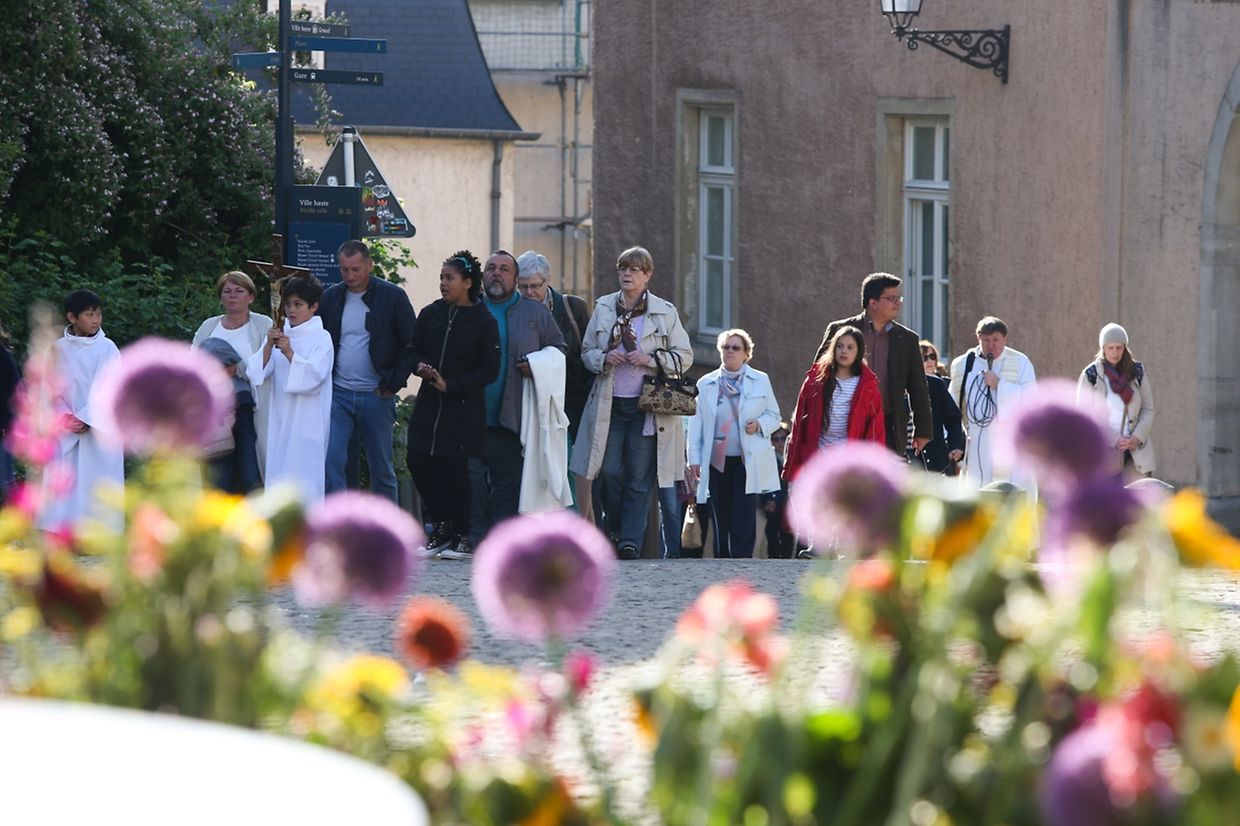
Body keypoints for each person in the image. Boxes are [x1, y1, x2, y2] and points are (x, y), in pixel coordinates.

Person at [571, 246, 693, 560]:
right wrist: (604, 357)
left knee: (639, 478)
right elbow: (586, 352)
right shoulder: (604, 307)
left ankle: (630, 542)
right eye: (623, 268)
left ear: (647, 275)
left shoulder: (665, 312)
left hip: (646, 408)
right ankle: (615, 527)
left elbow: (685, 356)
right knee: (608, 471)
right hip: (609, 405)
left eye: (634, 269)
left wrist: (650, 359)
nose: (627, 274)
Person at [466, 250, 567, 548]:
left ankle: (502, 543)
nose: (496, 274)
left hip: (513, 416)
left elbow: (559, 350)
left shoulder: (536, 314)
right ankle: (474, 538)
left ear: (514, 278)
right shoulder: (468, 309)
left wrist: (536, 364)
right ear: (482, 275)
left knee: (507, 483)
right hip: (469, 413)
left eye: (504, 269)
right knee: (470, 479)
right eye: (491, 268)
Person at [407, 251, 501, 560]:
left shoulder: (484, 321)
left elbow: (489, 370)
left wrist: (452, 385)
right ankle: (442, 527)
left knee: (456, 471)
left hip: (462, 409)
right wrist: (420, 366)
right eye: (441, 278)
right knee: (418, 460)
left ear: (468, 283)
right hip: (428, 404)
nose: (443, 284)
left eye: (450, 278)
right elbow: (413, 350)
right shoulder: (430, 314)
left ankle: (462, 536)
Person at [319, 240, 417, 503]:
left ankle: (386, 524)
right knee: (331, 459)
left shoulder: (392, 297)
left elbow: (412, 344)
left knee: (381, 467)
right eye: (344, 269)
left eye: (356, 269)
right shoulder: (331, 297)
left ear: (369, 265)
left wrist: (393, 383)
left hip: (377, 393)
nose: (350, 275)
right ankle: (338, 520)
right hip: (338, 393)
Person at [686, 329, 782, 559]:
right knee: (720, 512)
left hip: (746, 458)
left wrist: (759, 424)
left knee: (744, 509)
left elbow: (774, 415)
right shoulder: (706, 383)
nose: (729, 351)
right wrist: (694, 459)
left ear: (746, 353)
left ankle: (742, 559)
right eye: (725, 347)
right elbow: (696, 424)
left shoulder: (760, 380)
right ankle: (722, 559)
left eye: (735, 348)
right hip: (716, 459)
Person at [815, 273, 932, 459]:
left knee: (883, 477)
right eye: (891, 298)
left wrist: (923, 430)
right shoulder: (840, 331)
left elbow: (918, 387)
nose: (898, 303)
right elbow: (818, 377)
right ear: (873, 302)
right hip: (842, 424)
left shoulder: (907, 339)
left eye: (899, 298)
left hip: (887, 425)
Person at [515, 251, 596, 517]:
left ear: (547, 281)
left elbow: (586, 355)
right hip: (529, 405)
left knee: (567, 473)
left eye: (534, 286)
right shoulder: (514, 311)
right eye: (523, 286)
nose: (529, 292)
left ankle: (572, 529)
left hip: (570, 404)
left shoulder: (573, 309)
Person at [37, 290, 124, 531]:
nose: (96, 320)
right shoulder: (57, 349)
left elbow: (112, 387)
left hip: (98, 432)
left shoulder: (107, 349)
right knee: (64, 483)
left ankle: (99, 534)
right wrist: (64, 416)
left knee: (98, 484)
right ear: (72, 317)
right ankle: (61, 531)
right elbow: (48, 387)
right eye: (89, 314)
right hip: (66, 430)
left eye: (99, 314)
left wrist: (87, 417)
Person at [247, 277, 334, 504]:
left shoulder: (322, 338)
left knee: (304, 475)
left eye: (298, 304)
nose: (291, 310)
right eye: (288, 304)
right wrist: (269, 344)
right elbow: (256, 372)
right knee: (278, 471)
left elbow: (316, 375)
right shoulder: (280, 333)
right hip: (280, 415)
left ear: (313, 306)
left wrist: (289, 353)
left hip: (307, 418)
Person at [192, 271, 273, 493]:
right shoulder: (209, 326)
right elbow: (193, 362)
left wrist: (235, 368)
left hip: (249, 409)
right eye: (227, 291)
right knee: (218, 479)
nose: (233, 295)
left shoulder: (263, 324)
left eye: (239, 291)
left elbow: (268, 363)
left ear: (251, 296)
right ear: (220, 297)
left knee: (251, 474)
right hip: (216, 411)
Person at [783, 325, 886, 483]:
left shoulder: (868, 387)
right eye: (840, 346)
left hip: (849, 462)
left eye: (850, 347)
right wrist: (791, 468)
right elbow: (799, 425)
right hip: (817, 458)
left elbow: (875, 432)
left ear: (858, 352)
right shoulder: (814, 381)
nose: (844, 351)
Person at [948, 316, 1037, 488]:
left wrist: (1000, 385)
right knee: (977, 492)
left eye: (996, 340)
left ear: (1005, 338)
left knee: (1009, 493)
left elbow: (1031, 400)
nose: (991, 345)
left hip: (1010, 444)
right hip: (976, 445)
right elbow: (952, 405)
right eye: (986, 340)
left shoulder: (1020, 362)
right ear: (978, 338)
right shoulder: (964, 364)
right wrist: (954, 441)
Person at [1076, 323, 1155, 479]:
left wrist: (1137, 437)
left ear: (1125, 347)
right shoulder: (1091, 375)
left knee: (1141, 492)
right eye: (1110, 348)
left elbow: (1148, 408)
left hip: (1135, 451)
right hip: (1104, 450)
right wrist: (1115, 439)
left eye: (1119, 347)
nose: (1114, 352)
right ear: (1103, 348)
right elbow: (1084, 416)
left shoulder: (1137, 372)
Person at [918, 340, 965, 475]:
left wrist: (955, 445)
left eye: (932, 356)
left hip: (939, 451)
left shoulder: (940, 384)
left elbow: (953, 417)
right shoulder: (899, 385)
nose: (929, 361)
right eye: (924, 357)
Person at [759, 423, 795, 559]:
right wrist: (768, 500)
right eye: (776, 439)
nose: (780, 442)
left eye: (783, 438)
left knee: (788, 540)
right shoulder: (768, 458)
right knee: (772, 541)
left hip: (789, 505)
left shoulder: (792, 458)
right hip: (772, 505)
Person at [0, 325, 18, 504]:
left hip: (3, 426)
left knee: (4, 478)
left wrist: (5, 422)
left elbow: (13, 391)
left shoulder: (3, 355)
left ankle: (17, 516)